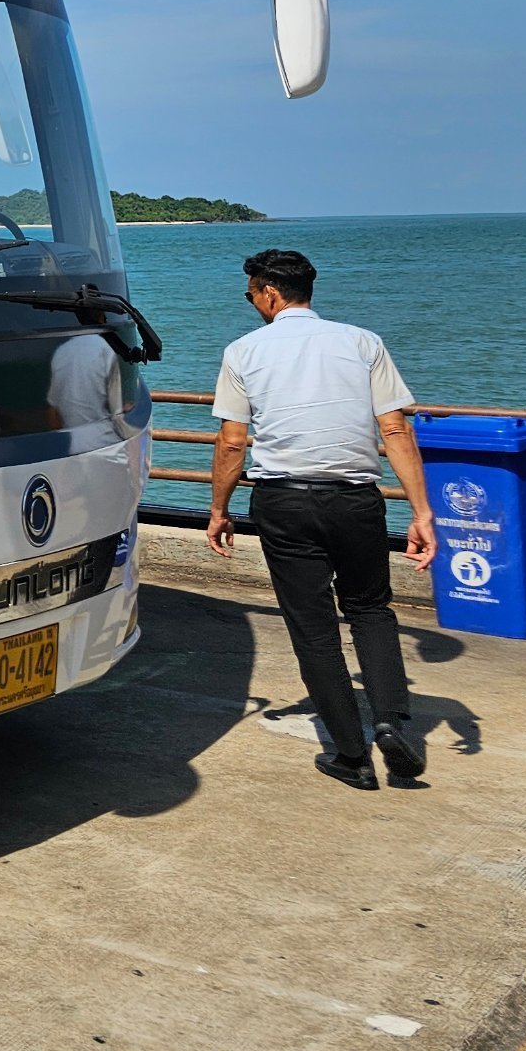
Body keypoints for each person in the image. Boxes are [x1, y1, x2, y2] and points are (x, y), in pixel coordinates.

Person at [207, 248, 439, 790]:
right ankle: (390, 721)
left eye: (250, 294)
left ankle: (352, 757)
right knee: (370, 609)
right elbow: (396, 430)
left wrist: (218, 510)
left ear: (269, 293)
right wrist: (422, 513)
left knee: (312, 628)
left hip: (284, 502)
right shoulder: (362, 342)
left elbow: (233, 441)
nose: (252, 303)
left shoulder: (243, 351)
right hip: (355, 499)